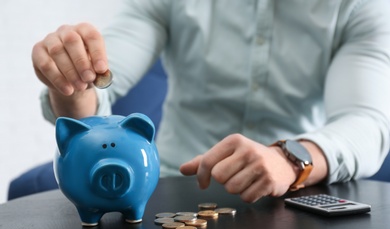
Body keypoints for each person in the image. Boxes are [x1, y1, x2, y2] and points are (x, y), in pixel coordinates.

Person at [32, 0, 390, 203]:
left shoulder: (361, 6)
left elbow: (367, 122)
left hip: (293, 193)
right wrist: (71, 79)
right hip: (169, 189)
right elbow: (93, 90)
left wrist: (289, 159)